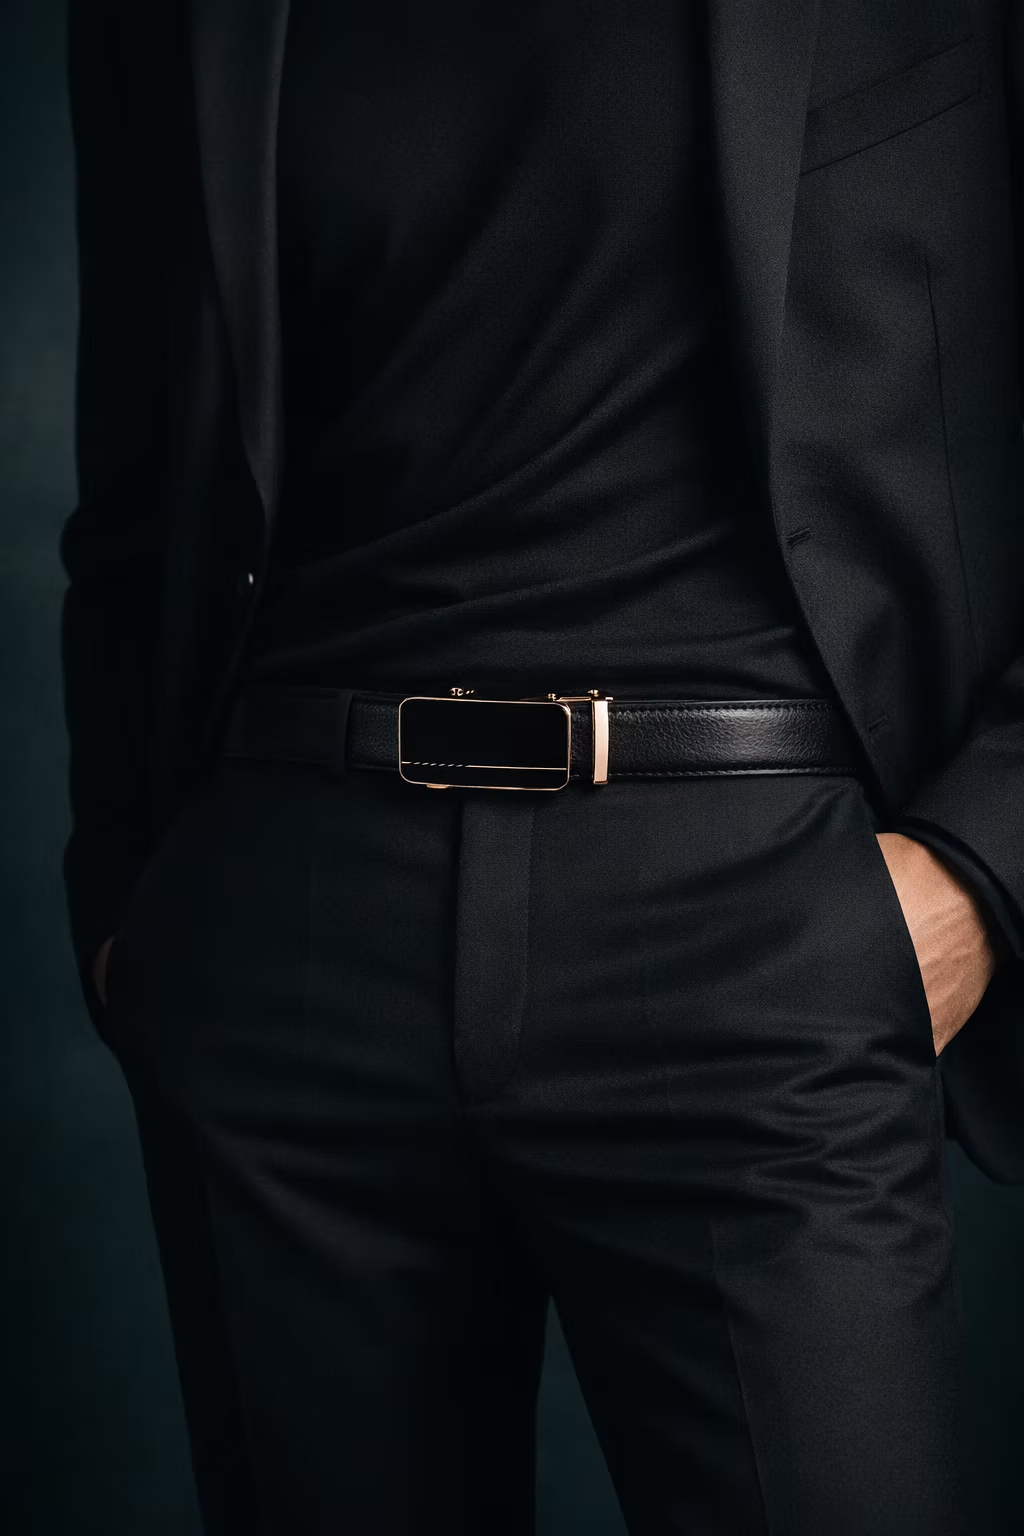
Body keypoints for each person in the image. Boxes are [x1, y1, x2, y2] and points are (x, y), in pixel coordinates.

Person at [59, 2, 1024, 1532]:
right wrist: (133, 910)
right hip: (293, 924)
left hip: (760, 919)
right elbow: (135, 480)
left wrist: (986, 866)